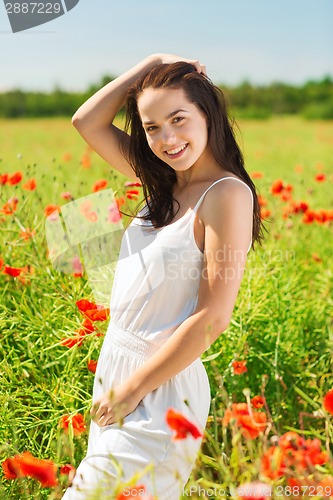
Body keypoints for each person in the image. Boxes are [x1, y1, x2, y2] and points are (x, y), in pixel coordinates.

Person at [61, 53, 264, 499]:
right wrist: (151, 63)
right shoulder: (165, 182)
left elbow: (213, 316)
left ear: (207, 114)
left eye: (178, 119)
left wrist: (132, 389)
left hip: (159, 388)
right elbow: (87, 121)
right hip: (120, 371)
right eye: (152, 127)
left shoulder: (226, 194)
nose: (167, 139)